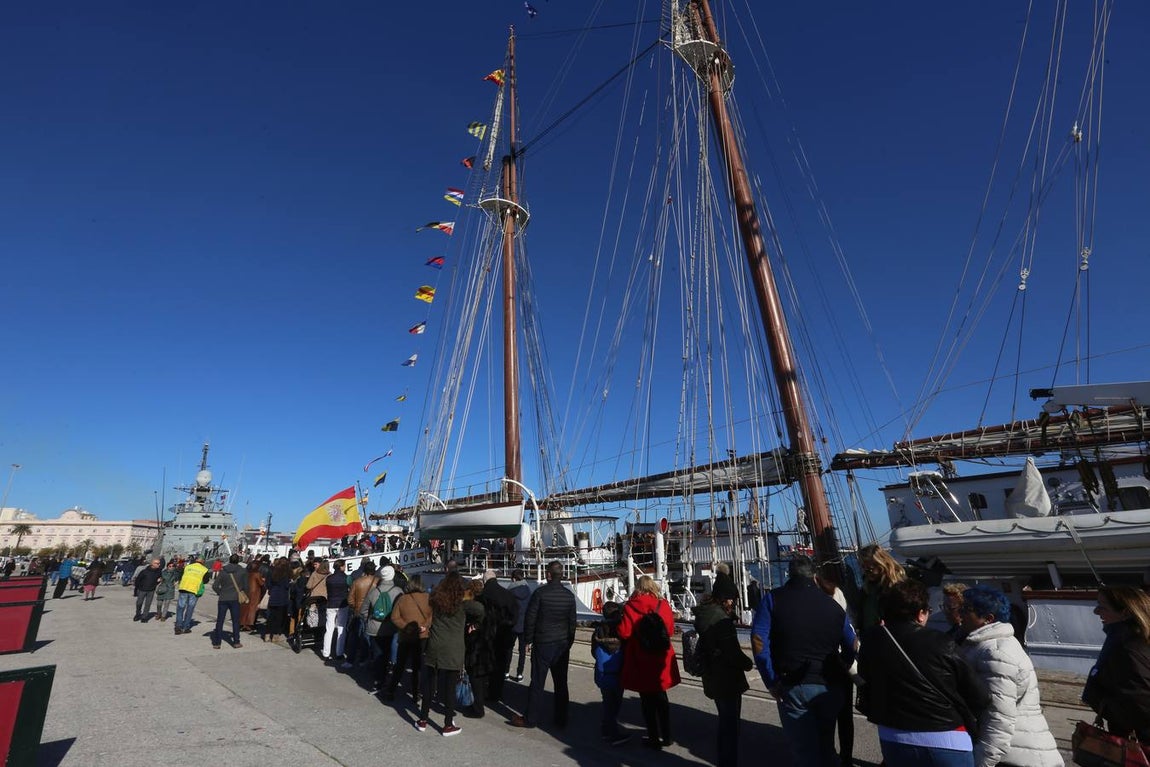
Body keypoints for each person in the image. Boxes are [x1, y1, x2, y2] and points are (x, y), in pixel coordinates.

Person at [858, 579, 988, 767]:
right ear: (920, 614)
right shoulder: (941, 642)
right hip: (946, 738)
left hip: (893, 736)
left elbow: (866, 678)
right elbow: (979, 696)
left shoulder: (871, 639)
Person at [753, 556, 856, 766]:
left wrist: (770, 680)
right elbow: (851, 643)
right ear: (814, 575)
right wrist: (842, 664)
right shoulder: (833, 606)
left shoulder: (773, 599)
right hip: (829, 683)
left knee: (804, 751)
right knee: (826, 747)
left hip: (793, 683)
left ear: (790, 573)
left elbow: (758, 641)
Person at [958, 584, 1062, 767]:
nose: (960, 614)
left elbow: (999, 716)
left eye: (967, 609)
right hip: (1018, 753)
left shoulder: (996, 652)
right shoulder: (983, 646)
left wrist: (981, 761)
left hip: (1018, 758)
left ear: (988, 618)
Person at [696, 570, 754, 766]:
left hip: (713, 675)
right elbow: (732, 652)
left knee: (725, 722)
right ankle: (727, 762)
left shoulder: (706, 614)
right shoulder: (721, 621)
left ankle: (724, 760)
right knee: (730, 725)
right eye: (730, 598)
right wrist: (748, 664)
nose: (733, 602)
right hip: (726, 678)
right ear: (723, 599)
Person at [510, 561, 577, 730]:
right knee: (561, 683)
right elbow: (572, 623)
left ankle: (531, 719)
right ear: (561, 575)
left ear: (548, 574)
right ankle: (561, 719)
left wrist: (528, 640)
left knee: (537, 682)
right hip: (561, 644)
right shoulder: (569, 596)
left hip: (543, 643)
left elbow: (531, 618)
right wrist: (568, 643)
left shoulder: (540, 593)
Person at [617, 574, 681, 749]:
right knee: (661, 697)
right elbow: (669, 630)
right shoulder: (663, 605)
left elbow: (624, 632)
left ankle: (653, 737)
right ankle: (667, 736)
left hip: (641, 656)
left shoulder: (631, 606)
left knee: (647, 700)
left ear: (638, 588)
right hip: (661, 656)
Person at [1081, 585, 1150, 742]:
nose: (1096, 611)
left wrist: (1101, 703)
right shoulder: (1133, 639)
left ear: (1125, 613)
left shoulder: (1127, 647)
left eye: (1102, 606)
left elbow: (1142, 702)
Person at [418, 571, 483, 737]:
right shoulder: (463, 605)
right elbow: (480, 609)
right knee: (449, 686)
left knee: (429, 684)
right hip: (453, 648)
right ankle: (448, 724)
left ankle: (423, 720)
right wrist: (474, 623)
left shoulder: (435, 600)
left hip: (435, 644)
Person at [387, 574, 431, 703]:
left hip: (406, 636)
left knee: (400, 665)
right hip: (422, 636)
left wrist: (406, 627)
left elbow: (394, 617)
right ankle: (416, 693)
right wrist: (425, 625)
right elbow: (432, 615)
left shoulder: (402, 599)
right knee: (417, 666)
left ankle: (391, 690)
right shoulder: (428, 598)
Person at [479, 569, 520, 704]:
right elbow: (515, 615)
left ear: (485, 581)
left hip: (488, 635)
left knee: (487, 664)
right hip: (504, 634)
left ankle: (487, 691)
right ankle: (498, 692)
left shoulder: (484, 594)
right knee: (501, 665)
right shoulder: (507, 594)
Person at [591, 600, 629, 745]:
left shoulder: (598, 631)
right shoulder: (621, 631)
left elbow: (594, 652)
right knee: (616, 702)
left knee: (607, 701)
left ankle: (607, 727)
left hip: (603, 673)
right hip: (618, 672)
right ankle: (611, 731)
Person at [464, 578, 500, 718]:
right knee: (483, 675)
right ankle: (482, 700)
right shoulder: (489, 602)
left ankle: (478, 708)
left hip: (476, 645)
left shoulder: (472, 605)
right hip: (488, 643)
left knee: (475, 677)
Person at [855, 543, 906, 631]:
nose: (866, 572)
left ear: (881, 565)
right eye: (863, 567)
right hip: (869, 635)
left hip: (889, 635)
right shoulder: (867, 588)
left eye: (870, 569)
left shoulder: (896, 587)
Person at [367, 564, 403, 686]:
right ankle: (389, 676)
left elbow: (363, 610)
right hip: (391, 627)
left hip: (375, 626)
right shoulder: (398, 592)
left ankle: (378, 678)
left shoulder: (373, 591)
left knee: (377, 653)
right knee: (388, 651)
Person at [211, 554, 248, 649]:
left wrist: (220, 592)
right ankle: (236, 642)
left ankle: (217, 642)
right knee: (235, 621)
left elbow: (215, 586)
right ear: (238, 560)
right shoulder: (242, 571)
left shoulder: (223, 571)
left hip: (223, 598)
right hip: (235, 598)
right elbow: (246, 587)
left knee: (220, 620)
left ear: (229, 560)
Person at [347, 558, 380, 668]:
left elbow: (350, 600)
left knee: (355, 636)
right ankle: (366, 658)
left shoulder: (357, 581)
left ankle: (353, 659)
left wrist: (356, 607)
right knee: (369, 637)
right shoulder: (378, 581)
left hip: (359, 612)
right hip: (373, 612)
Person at [175, 555, 210, 635]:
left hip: (184, 588)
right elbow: (206, 580)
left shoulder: (188, 567)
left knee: (180, 607)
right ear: (203, 562)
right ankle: (185, 627)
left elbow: (181, 574)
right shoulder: (204, 569)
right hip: (194, 590)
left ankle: (178, 626)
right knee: (190, 608)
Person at [323, 559, 350, 662]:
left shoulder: (329, 578)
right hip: (342, 604)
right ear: (341, 567)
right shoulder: (347, 578)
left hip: (330, 604)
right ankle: (339, 653)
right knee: (341, 629)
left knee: (329, 629)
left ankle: (326, 653)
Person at [508, 568, 531, 682]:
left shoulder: (510, 592)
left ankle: (506, 671)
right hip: (524, 625)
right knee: (522, 652)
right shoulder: (528, 590)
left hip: (512, 624)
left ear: (513, 579)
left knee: (508, 649)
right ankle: (519, 674)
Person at [263, 559, 292, 643]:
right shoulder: (286, 573)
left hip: (273, 594)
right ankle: (275, 635)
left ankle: (267, 634)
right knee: (279, 617)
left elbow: (268, 584)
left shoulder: (272, 571)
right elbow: (287, 585)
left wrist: (271, 589)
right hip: (282, 596)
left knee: (270, 616)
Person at [132, 558, 163, 622]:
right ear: (152, 564)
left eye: (159, 563)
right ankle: (138, 614)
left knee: (148, 604)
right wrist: (138, 588)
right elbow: (138, 580)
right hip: (142, 590)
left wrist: (158, 581)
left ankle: (144, 617)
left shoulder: (159, 572)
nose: (159, 565)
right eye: (157, 563)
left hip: (151, 590)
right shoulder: (144, 571)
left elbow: (159, 580)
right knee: (139, 603)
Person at [240, 560, 264, 633]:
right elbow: (261, 583)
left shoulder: (246, 573)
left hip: (247, 591)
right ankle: (249, 624)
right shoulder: (257, 574)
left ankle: (242, 623)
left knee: (244, 608)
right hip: (254, 593)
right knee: (252, 609)